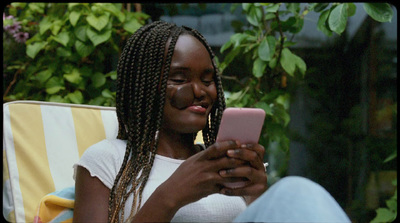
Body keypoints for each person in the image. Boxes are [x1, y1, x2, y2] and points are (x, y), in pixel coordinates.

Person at [72, 21, 351, 223]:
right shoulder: (107, 160)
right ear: (142, 87)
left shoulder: (223, 165)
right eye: (180, 79)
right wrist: (171, 195)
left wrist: (257, 196)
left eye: (208, 80)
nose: (200, 91)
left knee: (295, 191)